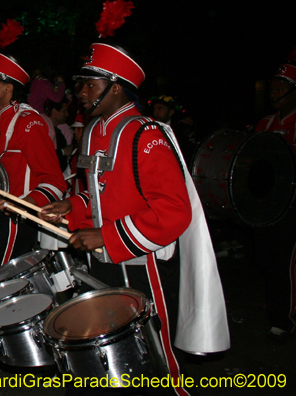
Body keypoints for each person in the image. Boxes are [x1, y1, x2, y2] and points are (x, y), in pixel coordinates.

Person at [41, 42, 229, 395]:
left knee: (157, 364)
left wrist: (107, 236)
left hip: (143, 266)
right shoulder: (95, 132)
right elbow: (100, 194)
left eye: (90, 85)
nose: (80, 92)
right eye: (80, 84)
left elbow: (174, 211)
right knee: (110, 363)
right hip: (103, 262)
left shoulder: (146, 134)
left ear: (116, 87)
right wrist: (73, 206)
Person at [0, 50, 68, 396]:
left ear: (8, 88)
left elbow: (53, 182)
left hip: (14, 223)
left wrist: (19, 204)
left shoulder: (29, 121)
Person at [253, 60, 296, 342]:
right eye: (273, 87)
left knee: (286, 263)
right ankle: (279, 307)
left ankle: (283, 321)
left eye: (281, 88)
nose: (274, 92)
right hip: (267, 207)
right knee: (268, 260)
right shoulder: (264, 124)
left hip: (292, 206)